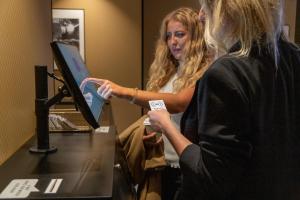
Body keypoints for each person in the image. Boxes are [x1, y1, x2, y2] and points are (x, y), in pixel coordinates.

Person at [148, 0, 300, 200]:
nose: (201, 16)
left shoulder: (226, 73)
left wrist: (167, 126)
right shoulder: (293, 57)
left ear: (229, 11)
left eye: (208, 8)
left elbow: (211, 178)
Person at [80, 7, 212, 200]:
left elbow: (178, 104)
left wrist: (125, 92)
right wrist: (153, 130)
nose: (173, 41)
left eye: (180, 35)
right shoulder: (172, 72)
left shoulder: (204, 71)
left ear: (196, 36)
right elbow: (162, 107)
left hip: (181, 168)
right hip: (160, 161)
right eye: (168, 36)